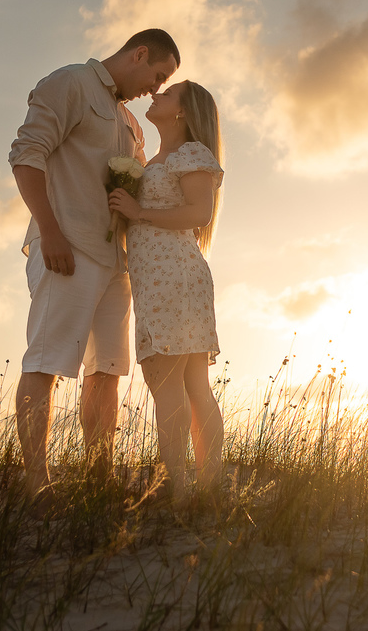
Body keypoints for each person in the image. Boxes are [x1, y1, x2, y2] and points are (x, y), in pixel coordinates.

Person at [8, 28, 180, 499]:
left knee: (107, 370)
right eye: (157, 76)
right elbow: (26, 155)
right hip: (68, 247)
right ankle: (37, 484)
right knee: (46, 361)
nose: (155, 89)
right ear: (139, 54)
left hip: (116, 262)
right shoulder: (70, 83)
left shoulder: (130, 123)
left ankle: (98, 477)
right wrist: (50, 232)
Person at [108, 81, 225, 501]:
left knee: (173, 384)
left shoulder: (190, 153)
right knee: (188, 383)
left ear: (183, 112)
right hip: (162, 277)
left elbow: (199, 212)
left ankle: (180, 489)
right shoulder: (156, 159)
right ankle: (204, 488)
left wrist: (138, 211)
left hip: (172, 276)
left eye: (168, 93)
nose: (156, 95)